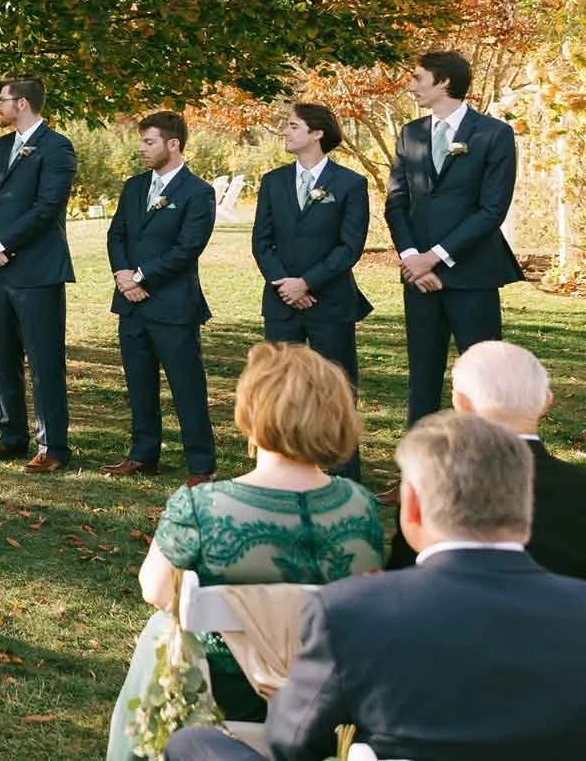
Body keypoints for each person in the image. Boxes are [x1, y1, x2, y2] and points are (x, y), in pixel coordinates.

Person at [165, 412, 586, 761]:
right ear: (524, 512)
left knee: (193, 745)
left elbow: (291, 741)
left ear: (414, 508)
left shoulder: (354, 611)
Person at [108, 343, 381, 759]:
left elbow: (155, 590)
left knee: (158, 631)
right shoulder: (361, 507)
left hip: (221, 697)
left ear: (252, 415)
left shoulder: (201, 507)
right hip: (325, 704)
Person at [385, 49, 523, 426]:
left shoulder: (494, 133)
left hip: (473, 274)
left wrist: (436, 257)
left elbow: (492, 210)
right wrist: (414, 257)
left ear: (443, 82)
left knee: (483, 381)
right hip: (419, 279)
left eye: (417, 78)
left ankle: (487, 470)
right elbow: (396, 202)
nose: (411, 86)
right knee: (422, 378)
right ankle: (416, 472)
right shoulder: (411, 134)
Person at [386, 340, 586, 578]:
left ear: (461, 403)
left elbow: (403, 575)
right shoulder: (579, 487)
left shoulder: (430, 483)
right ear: (546, 401)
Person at [251, 102, 371, 478]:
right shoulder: (273, 182)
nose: (285, 132)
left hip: (330, 301)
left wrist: (308, 282)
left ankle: (342, 470)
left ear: (317, 133)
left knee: (336, 386)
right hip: (281, 300)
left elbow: (349, 247)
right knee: (278, 387)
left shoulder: (350, 184)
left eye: (292, 126)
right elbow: (261, 242)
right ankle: (280, 465)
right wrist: (287, 284)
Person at [0, 75, 77, 472]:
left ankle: (53, 448)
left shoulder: (57, 148)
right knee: (4, 358)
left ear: (24, 103)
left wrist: (2, 244)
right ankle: (10, 436)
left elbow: (47, 208)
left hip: (37, 272)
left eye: (3, 99)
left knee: (44, 360)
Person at [102, 112, 217, 484]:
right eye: (141, 142)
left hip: (173, 305)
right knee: (139, 384)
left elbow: (187, 249)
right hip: (131, 304)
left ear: (173, 144)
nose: (141, 149)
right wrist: (123, 277)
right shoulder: (134, 187)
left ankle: (201, 464)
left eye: (149, 142)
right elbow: (116, 234)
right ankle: (143, 455)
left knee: (187, 387)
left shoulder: (198, 192)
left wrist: (140, 276)